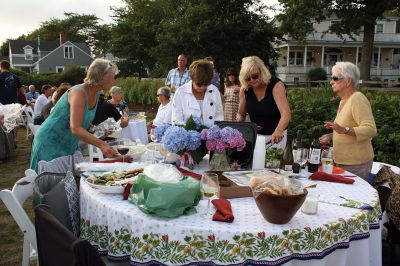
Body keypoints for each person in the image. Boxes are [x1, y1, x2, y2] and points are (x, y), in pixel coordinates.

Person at [30, 59, 119, 172]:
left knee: (68, 183)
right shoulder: (78, 93)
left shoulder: (95, 94)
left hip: (68, 143)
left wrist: (98, 132)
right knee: (51, 185)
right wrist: (101, 144)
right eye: (112, 77)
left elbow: (83, 121)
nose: (114, 81)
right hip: (50, 141)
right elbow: (75, 128)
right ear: (101, 78)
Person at [319, 62, 377, 180]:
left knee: (354, 198)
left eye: (335, 78)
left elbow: (371, 130)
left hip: (356, 165)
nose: (331, 82)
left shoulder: (357, 98)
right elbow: (347, 128)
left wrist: (343, 130)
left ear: (348, 81)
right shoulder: (344, 100)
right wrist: (332, 135)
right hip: (342, 163)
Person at [237, 56, 291, 147]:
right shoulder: (245, 89)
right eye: (248, 78)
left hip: (277, 137)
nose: (252, 80)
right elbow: (240, 114)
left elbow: (286, 114)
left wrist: (278, 131)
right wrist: (241, 126)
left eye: (255, 76)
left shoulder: (276, 85)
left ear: (262, 72)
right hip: (256, 137)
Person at [172, 59, 224, 127]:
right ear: (191, 78)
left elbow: (219, 115)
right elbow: (177, 120)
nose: (202, 87)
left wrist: (216, 130)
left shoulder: (214, 91)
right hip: (188, 135)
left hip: (211, 135)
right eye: (199, 84)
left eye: (206, 84)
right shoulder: (180, 92)